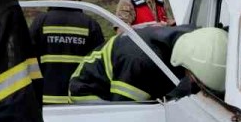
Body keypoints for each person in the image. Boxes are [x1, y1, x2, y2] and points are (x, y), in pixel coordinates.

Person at [68, 26, 227, 102]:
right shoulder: (139, 62)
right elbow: (124, 113)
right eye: (195, 79)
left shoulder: (197, 40)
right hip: (89, 91)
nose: (194, 83)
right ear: (186, 64)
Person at [29, 0, 105, 104]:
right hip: (77, 99)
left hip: (45, 98)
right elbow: (99, 63)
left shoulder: (40, 22)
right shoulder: (90, 24)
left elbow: (27, 56)